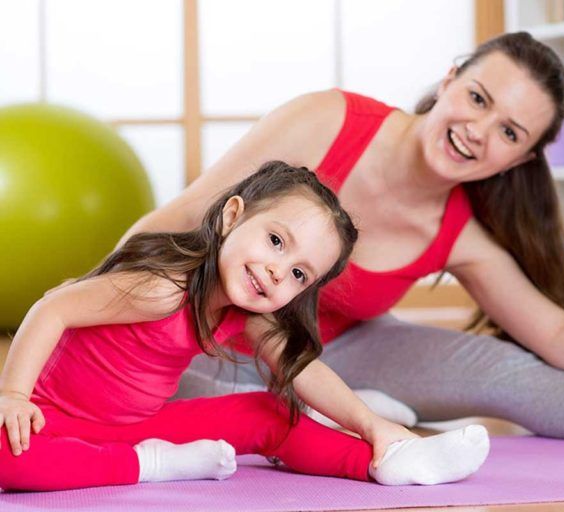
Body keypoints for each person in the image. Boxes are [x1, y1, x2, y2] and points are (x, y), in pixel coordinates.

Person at [123, 32, 564, 454]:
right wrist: (95, 308)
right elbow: (179, 218)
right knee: (177, 408)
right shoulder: (327, 120)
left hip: (341, 349)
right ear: (451, 77)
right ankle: (335, 413)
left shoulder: (463, 235)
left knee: (513, 372)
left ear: (521, 158)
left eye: (509, 133)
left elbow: (558, 334)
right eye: (478, 98)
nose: (478, 131)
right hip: (216, 343)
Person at [0, 162, 490, 492]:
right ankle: (155, 465)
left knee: (267, 412)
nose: (278, 271)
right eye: (276, 241)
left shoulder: (247, 311)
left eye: (298, 274)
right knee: (9, 460)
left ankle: (391, 462)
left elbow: (303, 370)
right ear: (232, 217)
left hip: (134, 426)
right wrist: (15, 396)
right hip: (49, 421)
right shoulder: (163, 288)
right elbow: (52, 309)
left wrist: (370, 425)